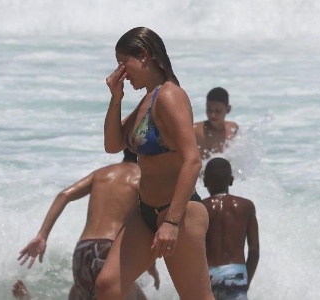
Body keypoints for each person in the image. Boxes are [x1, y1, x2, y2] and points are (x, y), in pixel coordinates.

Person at [98, 27, 214, 300]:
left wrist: (171, 222)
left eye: (123, 62)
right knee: (108, 286)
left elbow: (192, 161)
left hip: (179, 214)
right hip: (146, 212)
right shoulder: (147, 100)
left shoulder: (170, 96)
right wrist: (116, 98)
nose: (121, 71)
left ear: (145, 56)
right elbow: (112, 145)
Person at [17, 149, 159, 300]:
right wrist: (151, 266)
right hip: (110, 248)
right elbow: (147, 223)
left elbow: (64, 195)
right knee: (133, 293)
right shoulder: (143, 178)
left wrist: (42, 235)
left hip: (83, 248)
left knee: (84, 294)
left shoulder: (101, 174)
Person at [201, 158, 259, 300]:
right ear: (231, 180)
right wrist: (245, 282)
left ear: (204, 181)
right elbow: (254, 251)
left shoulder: (200, 208)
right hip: (236, 273)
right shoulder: (246, 206)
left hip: (207, 275)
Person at [193, 87, 239, 159]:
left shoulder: (233, 129)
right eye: (209, 109)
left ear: (228, 109)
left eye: (217, 110)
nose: (212, 115)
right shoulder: (195, 131)